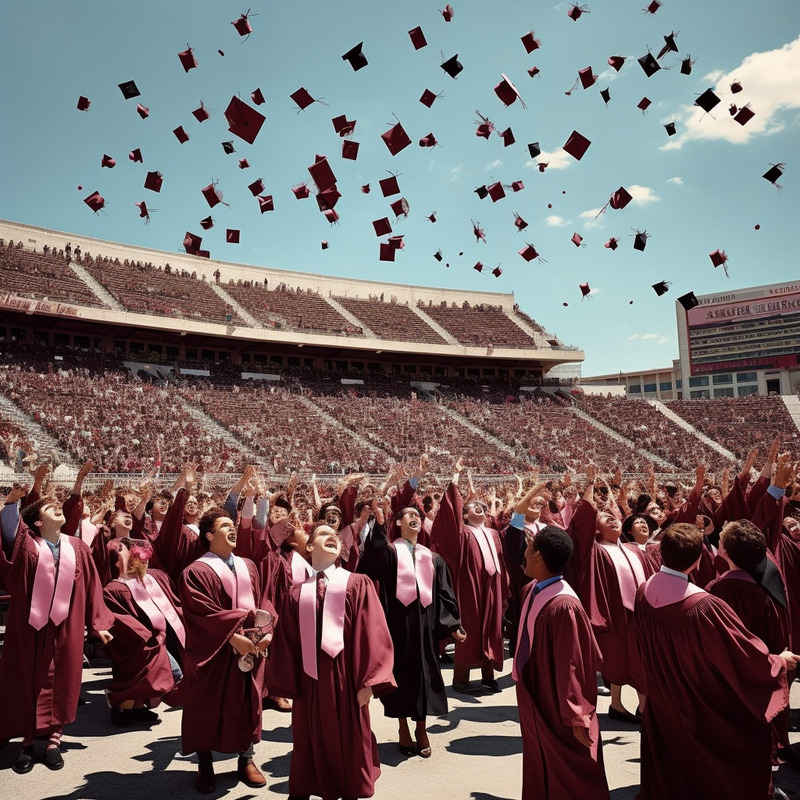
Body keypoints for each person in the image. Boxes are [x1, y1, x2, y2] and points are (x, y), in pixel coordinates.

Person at [633, 522, 797, 800]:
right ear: (699, 559)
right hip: (698, 703)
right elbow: (742, 656)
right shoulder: (705, 606)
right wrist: (779, 660)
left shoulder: (644, 591)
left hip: (665, 699)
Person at [269, 523, 396, 800]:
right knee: (309, 739)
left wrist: (370, 681)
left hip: (346, 681)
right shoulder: (295, 594)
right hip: (309, 681)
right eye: (324, 534)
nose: (333, 538)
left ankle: (349, 790)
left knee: (349, 740)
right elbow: (287, 644)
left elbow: (372, 631)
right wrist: (289, 684)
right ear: (310, 546)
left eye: (336, 536)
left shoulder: (357, 583)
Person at [0, 473, 114, 774]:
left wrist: (98, 622)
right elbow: (10, 529)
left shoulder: (76, 547)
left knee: (62, 678)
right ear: (37, 522)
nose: (57, 507)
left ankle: (53, 740)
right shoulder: (26, 544)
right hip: (29, 627)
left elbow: (92, 586)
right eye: (49, 508)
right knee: (26, 679)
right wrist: (12, 501)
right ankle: (26, 743)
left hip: (66, 626)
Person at [178, 508, 275, 794]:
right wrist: (234, 637)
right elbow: (200, 613)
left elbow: (262, 602)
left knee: (247, 702)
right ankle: (205, 763)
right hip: (215, 650)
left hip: (250, 646)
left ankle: (246, 759)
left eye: (233, 524)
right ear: (209, 535)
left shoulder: (249, 565)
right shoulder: (195, 571)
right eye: (224, 525)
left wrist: (264, 633)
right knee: (206, 706)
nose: (232, 528)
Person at [359, 500, 463, 759]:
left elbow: (444, 594)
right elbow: (369, 564)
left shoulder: (433, 558)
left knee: (425, 677)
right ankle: (403, 726)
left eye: (417, 514)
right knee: (401, 677)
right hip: (397, 626)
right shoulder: (390, 553)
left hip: (426, 629)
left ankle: (421, 728)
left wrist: (453, 625)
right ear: (398, 523)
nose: (414, 517)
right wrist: (380, 527)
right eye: (408, 515)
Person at [513, 525, 609, 800]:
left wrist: (577, 714)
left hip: (556, 700)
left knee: (568, 768)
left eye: (529, 548)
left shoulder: (564, 604)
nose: (525, 553)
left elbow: (574, 663)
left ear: (539, 556)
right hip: (535, 693)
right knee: (541, 760)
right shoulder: (533, 589)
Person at [431, 456, 507, 693]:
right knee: (471, 629)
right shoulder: (463, 533)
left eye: (482, 507)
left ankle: (487, 674)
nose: (481, 508)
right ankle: (461, 679)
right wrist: (455, 478)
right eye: (474, 507)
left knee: (492, 629)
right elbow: (449, 519)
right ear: (464, 516)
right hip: (471, 587)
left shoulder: (493, 533)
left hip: (492, 587)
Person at [102, 537, 186, 725]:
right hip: (139, 642)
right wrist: (144, 636)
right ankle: (120, 706)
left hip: (161, 638)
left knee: (149, 676)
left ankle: (136, 710)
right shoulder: (115, 588)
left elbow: (174, 602)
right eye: (139, 557)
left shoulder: (155, 578)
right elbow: (119, 620)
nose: (144, 560)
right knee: (166, 674)